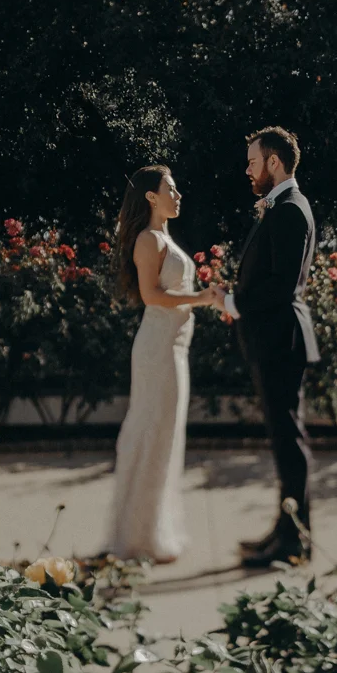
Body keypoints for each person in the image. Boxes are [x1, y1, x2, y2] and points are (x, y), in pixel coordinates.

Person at [105, 164, 221, 563]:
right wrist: (201, 299)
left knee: (167, 435)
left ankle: (155, 530)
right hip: (157, 349)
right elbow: (152, 297)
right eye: (170, 189)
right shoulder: (147, 240)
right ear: (151, 197)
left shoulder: (165, 238)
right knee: (152, 432)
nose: (178, 194)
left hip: (176, 347)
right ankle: (138, 537)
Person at [220, 126, 320, 566]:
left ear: (274, 162)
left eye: (253, 161)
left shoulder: (290, 210)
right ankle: (283, 531)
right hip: (275, 339)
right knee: (283, 440)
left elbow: (281, 287)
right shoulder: (282, 208)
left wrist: (232, 302)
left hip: (281, 340)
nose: (248, 169)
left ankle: (294, 540)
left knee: (289, 441)